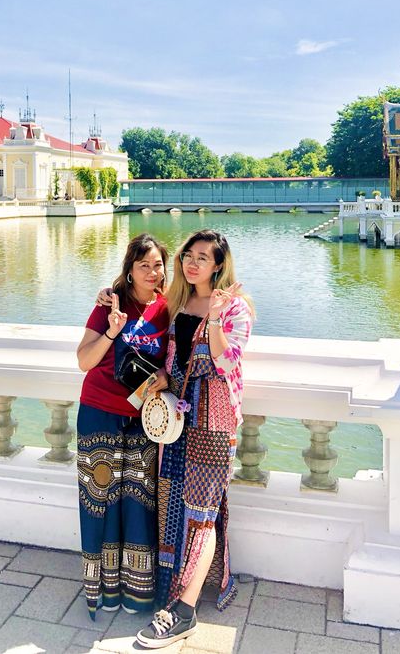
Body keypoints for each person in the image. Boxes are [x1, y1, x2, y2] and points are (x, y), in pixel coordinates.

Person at [136, 229, 253, 648]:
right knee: (173, 503)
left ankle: (184, 611)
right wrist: (164, 377)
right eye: (189, 254)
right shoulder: (178, 301)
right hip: (177, 420)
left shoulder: (235, 307)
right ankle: (174, 587)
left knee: (201, 511)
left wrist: (218, 318)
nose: (193, 262)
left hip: (214, 421)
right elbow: (171, 357)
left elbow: (226, 363)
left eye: (203, 257)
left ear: (218, 264)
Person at [76, 233, 170, 619]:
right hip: (99, 412)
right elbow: (83, 360)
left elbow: (173, 360)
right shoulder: (110, 305)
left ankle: (137, 593)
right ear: (129, 270)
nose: (151, 271)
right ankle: (101, 591)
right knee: (99, 501)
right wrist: (113, 330)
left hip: (142, 418)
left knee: (138, 502)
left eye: (157, 264)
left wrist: (164, 375)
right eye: (143, 265)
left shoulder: (169, 308)